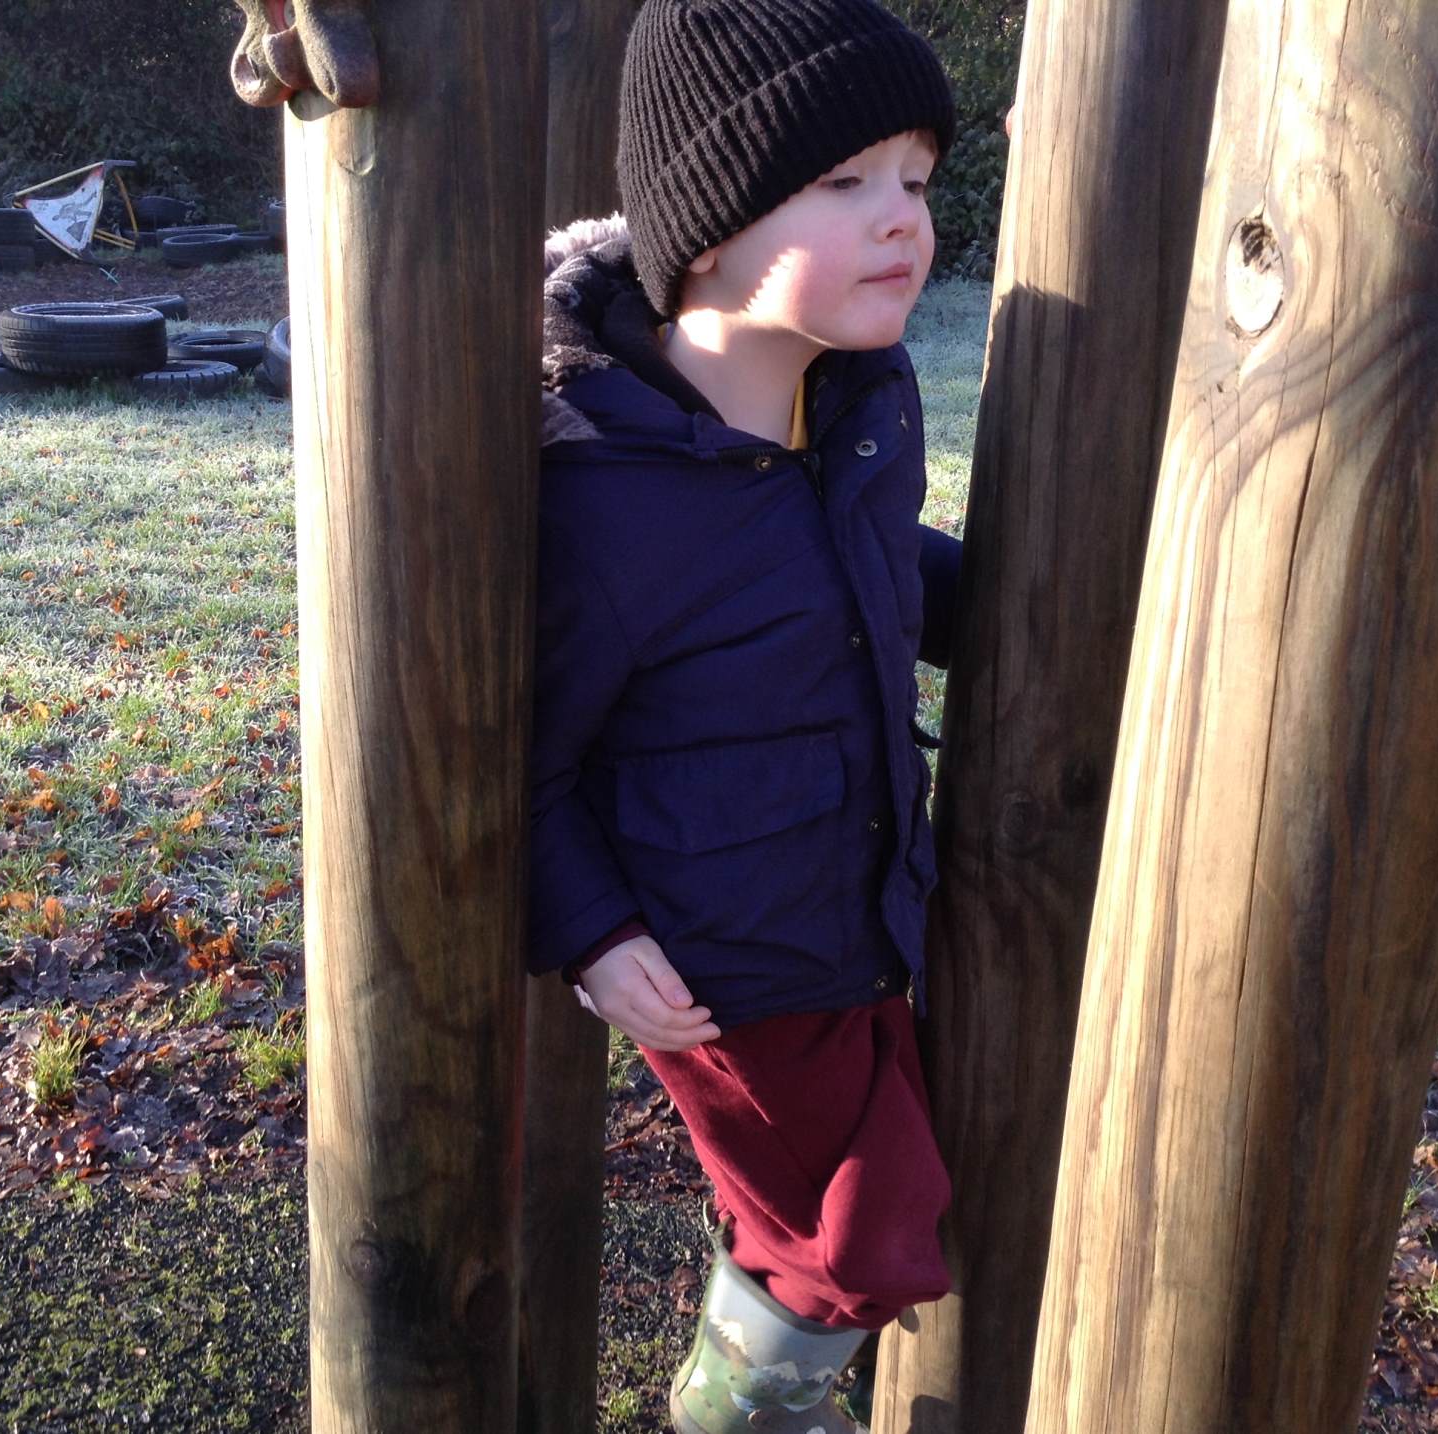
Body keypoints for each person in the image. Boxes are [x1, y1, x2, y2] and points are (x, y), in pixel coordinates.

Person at [528, 2, 965, 1429]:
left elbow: (871, 570)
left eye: (917, 178)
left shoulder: (855, 410)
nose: (902, 218)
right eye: (845, 181)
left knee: (864, 1201)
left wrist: (1029, 608)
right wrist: (592, 934)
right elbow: (525, 758)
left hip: (865, 906)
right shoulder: (606, 494)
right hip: (722, 966)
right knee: (860, 1233)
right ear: (708, 229)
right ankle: (734, 1416)